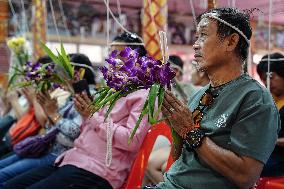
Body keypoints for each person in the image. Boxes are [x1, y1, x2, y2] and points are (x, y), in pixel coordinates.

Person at [144, 7, 280, 189]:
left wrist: (190, 131)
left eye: (204, 35)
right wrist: (175, 126)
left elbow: (245, 176)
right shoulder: (198, 95)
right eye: (196, 36)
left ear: (231, 42)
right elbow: (180, 160)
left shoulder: (255, 99)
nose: (195, 44)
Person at [3, 32, 151, 189]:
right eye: (112, 55)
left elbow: (131, 140)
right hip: (70, 158)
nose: (114, 61)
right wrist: (59, 112)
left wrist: (81, 115)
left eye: (121, 55)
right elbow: (86, 128)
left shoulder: (143, 95)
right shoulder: (109, 91)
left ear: (138, 61)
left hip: (98, 170)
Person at [0, 53, 96, 186]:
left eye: (65, 72)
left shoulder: (90, 96)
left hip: (58, 153)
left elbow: (75, 131)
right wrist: (48, 110)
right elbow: (49, 126)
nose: (60, 78)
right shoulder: (72, 94)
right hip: (46, 146)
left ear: (79, 73)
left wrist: (51, 113)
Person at [144, 60, 210, 186]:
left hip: (193, 142)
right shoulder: (197, 92)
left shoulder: (194, 91)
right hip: (185, 140)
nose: (190, 75)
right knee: (150, 162)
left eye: (192, 70)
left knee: (164, 167)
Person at [257, 53, 284, 176]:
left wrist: (274, 141)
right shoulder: (265, 102)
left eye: (271, 77)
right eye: (264, 78)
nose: (268, 82)